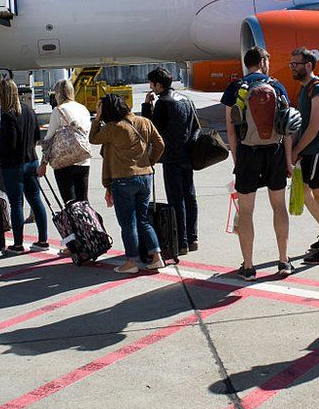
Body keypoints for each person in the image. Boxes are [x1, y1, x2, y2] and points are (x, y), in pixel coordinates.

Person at [221, 47, 293, 280]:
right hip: (275, 152)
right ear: (262, 62)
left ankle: (249, 266)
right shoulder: (277, 86)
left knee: (247, 211)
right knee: (279, 206)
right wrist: (289, 161)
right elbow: (288, 128)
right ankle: (283, 260)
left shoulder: (236, 88)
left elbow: (231, 131)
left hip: (248, 153)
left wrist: (237, 159)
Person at [89, 94, 166, 274]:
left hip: (123, 179)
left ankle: (132, 261)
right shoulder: (144, 121)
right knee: (143, 219)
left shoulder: (113, 128)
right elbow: (160, 144)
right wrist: (149, 162)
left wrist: (97, 118)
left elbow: (93, 138)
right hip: (146, 176)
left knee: (128, 223)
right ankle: (156, 257)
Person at [0, 79, 49, 253]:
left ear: (4, 94)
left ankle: (18, 244)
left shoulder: (7, 115)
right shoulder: (28, 110)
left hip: (14, 165)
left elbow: (8, 145)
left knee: (17, 203)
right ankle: (43, 240)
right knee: (36, 200)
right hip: (31, 160)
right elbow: (36, 135)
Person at [288, 49, 319, 267]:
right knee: (306, 193)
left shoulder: (318, 89)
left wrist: (296, 150)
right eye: (291, 63)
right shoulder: (305, 89)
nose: (292, 67)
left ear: (308, 65)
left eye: (296, 63)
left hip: (317, 150)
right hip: (309, 152)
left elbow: (314, 127)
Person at [141, 68, 199, 254]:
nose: (151, 87)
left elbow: (152, 130)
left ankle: (181, 241)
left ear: (158, 85)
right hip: (188, 156)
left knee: (176, 200)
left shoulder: (163, 103)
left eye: (152, 84)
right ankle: (192, 237)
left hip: (172, 158)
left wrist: (147, 107)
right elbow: (196, 127)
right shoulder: (186, 100)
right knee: (190, 196)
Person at [38, 79, 92, 204]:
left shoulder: (59, 110)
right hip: (83, 159)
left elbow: (48, 139)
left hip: (64, 161)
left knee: (70, 203)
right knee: (84, 201)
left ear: (58, 94)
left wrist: (43, 163)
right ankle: (87, 223)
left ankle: (74, 224)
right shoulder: (83, 109)